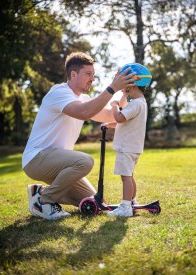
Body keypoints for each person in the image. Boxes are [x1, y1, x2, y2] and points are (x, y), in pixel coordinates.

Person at [22, 52, 137, 220]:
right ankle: (43, 202)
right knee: (85, 161)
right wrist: (112, 88)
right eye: (88, 74)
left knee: (96, 202)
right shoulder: (59, 93)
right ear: (73, 74)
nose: (92, 79)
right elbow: (84, 112)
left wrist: (124, 94)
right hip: (37, 158)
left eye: (94, 75)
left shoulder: (83, 98)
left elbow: (109, 116)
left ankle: (39, 192)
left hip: (59, 163)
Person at [101, 63, 152, 217]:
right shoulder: (139, 103)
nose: (122, 90)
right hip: (132, 147)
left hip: (127, 147)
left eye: (124, 86)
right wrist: (109, 125)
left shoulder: (136, 104)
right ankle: (132, 202)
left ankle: (125, 207)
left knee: (126, 177)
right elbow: (123, 122)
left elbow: (119, 117)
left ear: (133, 84)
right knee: (129, 175)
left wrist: (115, 105)